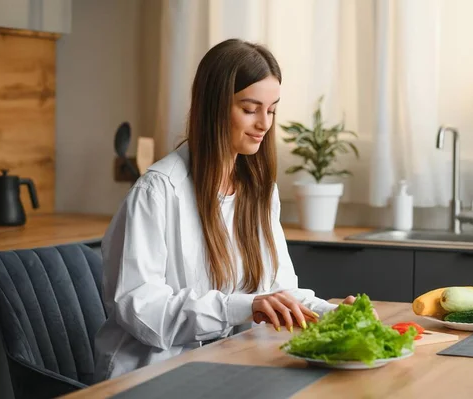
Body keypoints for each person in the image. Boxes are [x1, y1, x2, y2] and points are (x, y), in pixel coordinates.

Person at [94, 38, 363, 381]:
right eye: (250, 109)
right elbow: (140, 310)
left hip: (228, 365)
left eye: (272, 110)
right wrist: (243, 306)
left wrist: (330, 313)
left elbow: (279, 293)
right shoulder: (157, 192)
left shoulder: (260, 192)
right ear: (214, 107)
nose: (264, 123)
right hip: (153, 375)